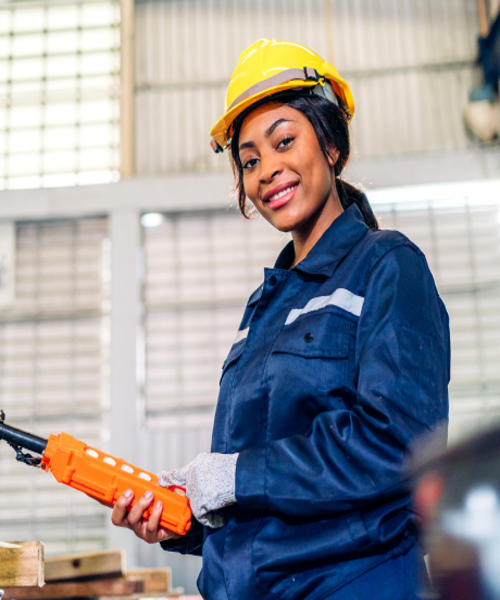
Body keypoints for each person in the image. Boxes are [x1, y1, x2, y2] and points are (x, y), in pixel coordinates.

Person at [110, 39, 451, 600]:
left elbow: (399, 448)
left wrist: (234, 477)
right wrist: (185, 513)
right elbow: (269, 502)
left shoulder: (388, 267)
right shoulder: (264, 308)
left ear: (332, 145)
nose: (267, 170)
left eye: (284, 141)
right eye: (249, 161)